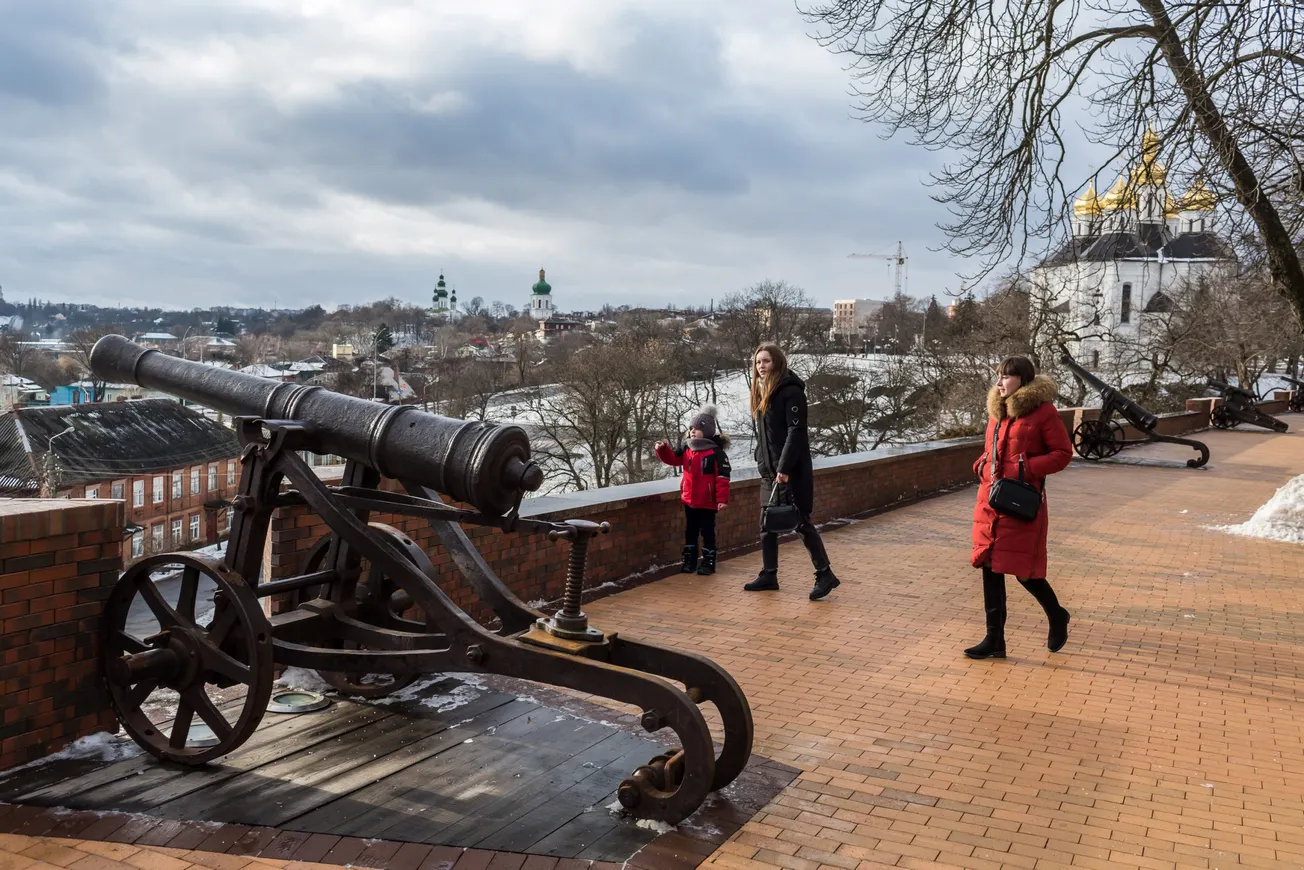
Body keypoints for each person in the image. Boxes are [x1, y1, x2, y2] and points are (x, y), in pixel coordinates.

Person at [966, 356, 1073, 659]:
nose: (999, 383)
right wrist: (982, 464)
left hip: (1020, 501)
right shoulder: (996, 411)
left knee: (1025, 572)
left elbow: (1063, 453)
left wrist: (1024, 467)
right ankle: (994, 640)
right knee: (989, 565)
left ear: (1023, 380)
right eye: (997, 376)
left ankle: (1056, 614)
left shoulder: (1043, 412)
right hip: (990, 500)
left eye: (1006, 377)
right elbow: (991, 449)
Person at [744, 343, 841, 600]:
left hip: (790, 470)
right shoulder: (764, 391)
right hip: (770, 470)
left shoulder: (791, 392)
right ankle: (769, 574)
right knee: (766, 524)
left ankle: (825, 574)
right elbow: (766, 435)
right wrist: (762, 460)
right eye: (757, 362)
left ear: (777, 362)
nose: (761, 367)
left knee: (800, 523)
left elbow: (795, 433)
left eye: (765, 361)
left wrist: (784, 468)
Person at [655, 405, 731, 575]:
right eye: (691, 429)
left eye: (697, 429)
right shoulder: (687, 448)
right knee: (690, 530)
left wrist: (721, 499)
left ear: (708, 431)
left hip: (708, 501)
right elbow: (673, 459)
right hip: (690, 500)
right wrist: (662, 450)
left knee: (707, 531)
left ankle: (709, 562)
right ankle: (689, 561)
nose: (692, 432)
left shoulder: (716, 453)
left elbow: (723, 478)